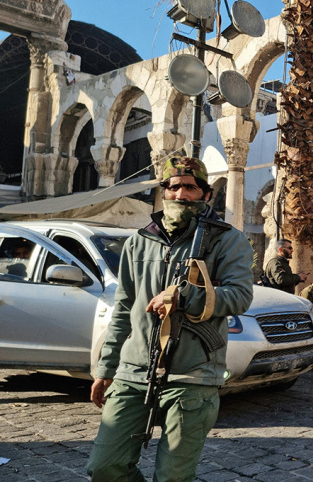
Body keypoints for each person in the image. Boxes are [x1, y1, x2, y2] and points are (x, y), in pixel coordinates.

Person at [86, 156, 254, 482]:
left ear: (206, 194)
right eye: (173, 187)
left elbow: (240, 296)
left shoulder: (227, 241)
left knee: (173, 478)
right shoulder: (139, 241)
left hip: (192, 379)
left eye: (189, 187)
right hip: (133, 374)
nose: (180, 194)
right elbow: (123, 309)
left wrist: (184, 296)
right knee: (105, 467)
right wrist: (106, 370)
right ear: (164, 192)